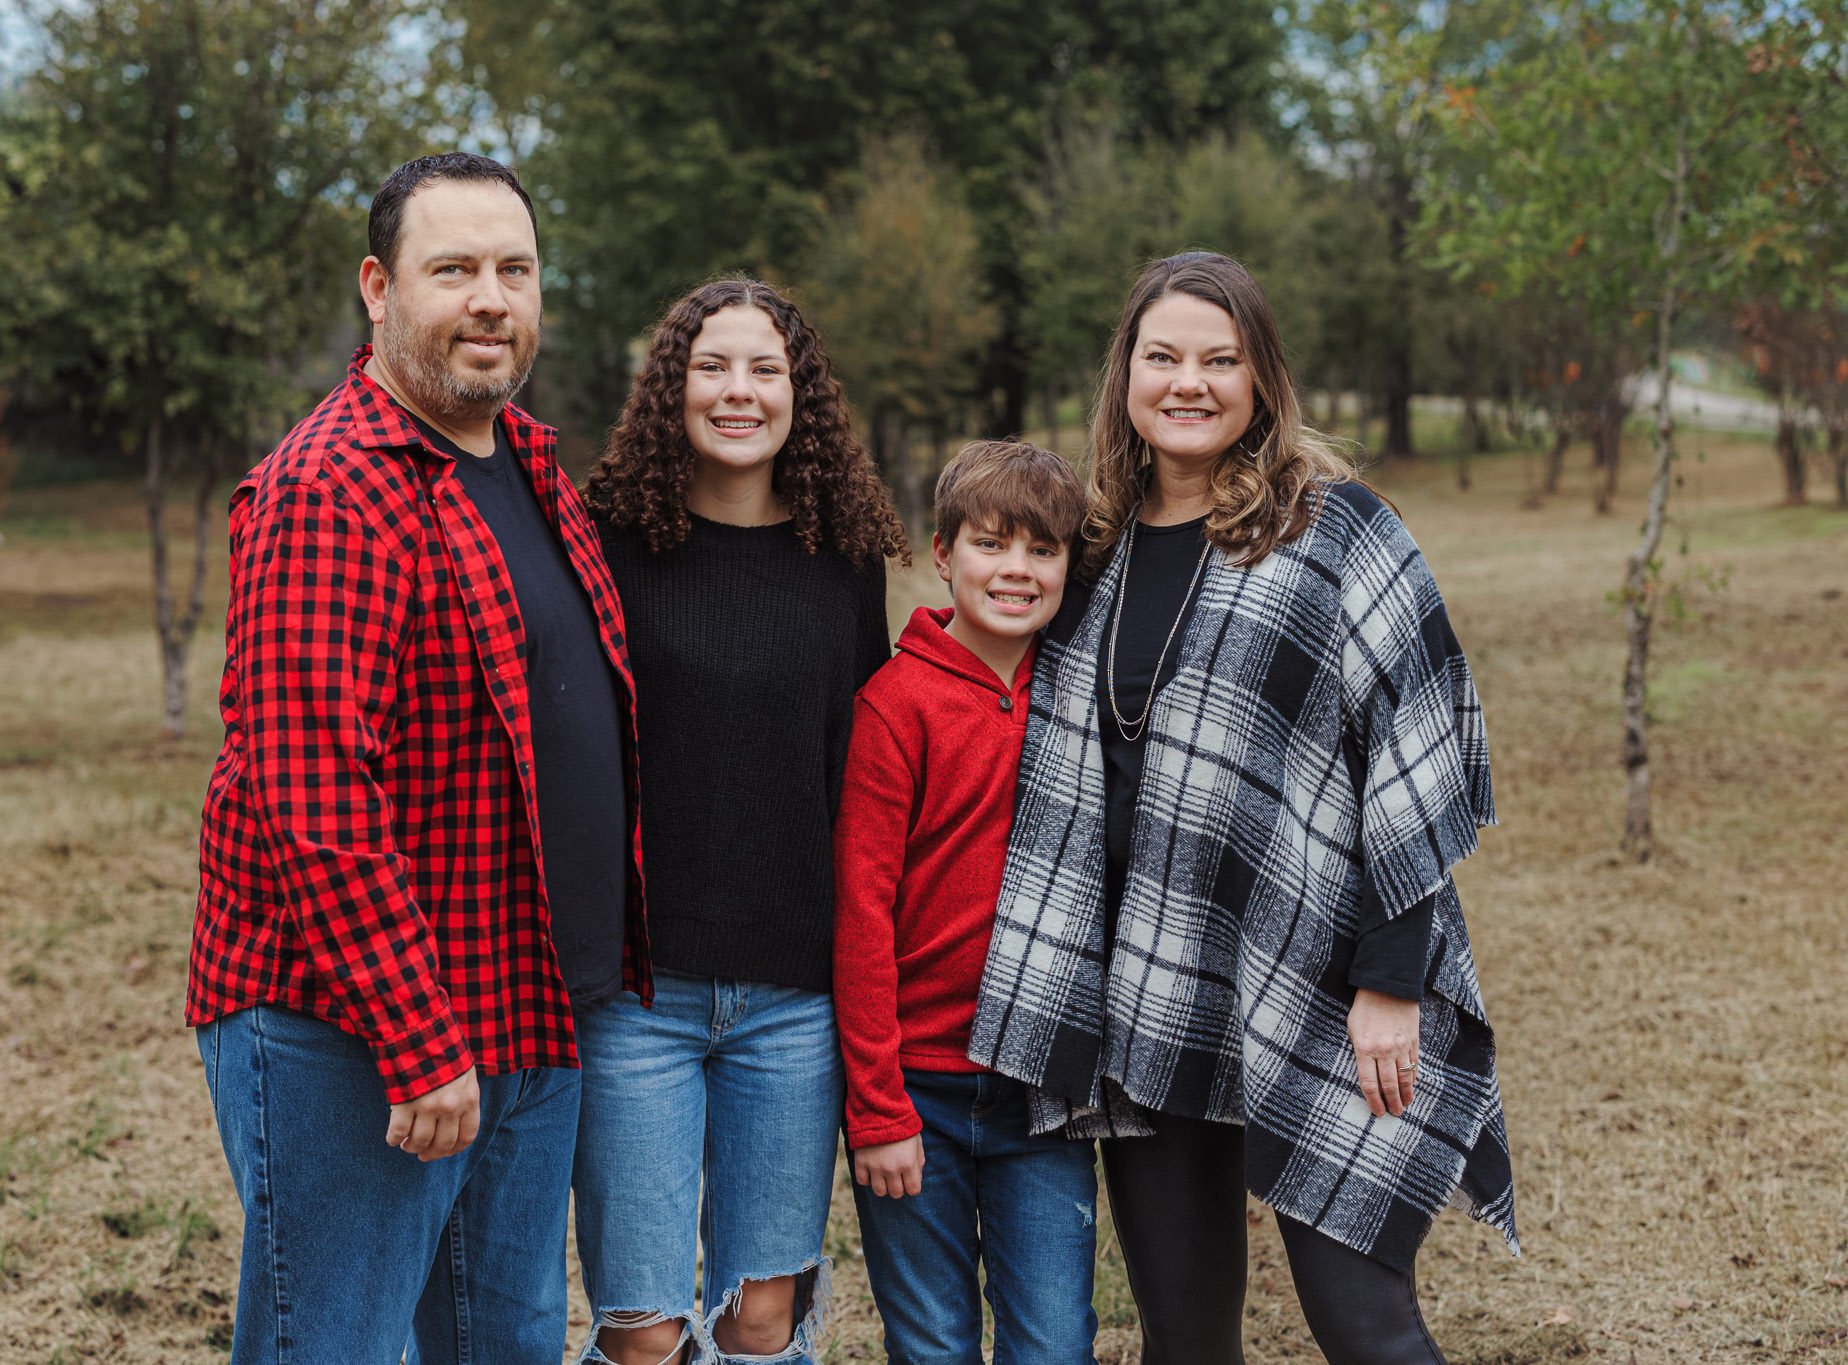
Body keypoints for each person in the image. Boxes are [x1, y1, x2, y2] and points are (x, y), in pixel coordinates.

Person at [969, 252, 1518, 1365]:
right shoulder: (1095, 550)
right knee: (1181, 1335)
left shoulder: (1338, 534)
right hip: (1146, 987)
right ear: (1124, 374)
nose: (1189, 382)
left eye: (1219, 360)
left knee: (1362, 1323)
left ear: (1261, 380)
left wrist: (1389, 981)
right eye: (1161, 356)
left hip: (1321, 983)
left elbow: (1409, 756)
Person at [185, 152, 649, 1365]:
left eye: (514, 269)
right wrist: (416, 1037)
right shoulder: (331, 492)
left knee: (502, 1347)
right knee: (328, 1345)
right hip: (356, 1034)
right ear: (379, 290)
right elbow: (312, 795)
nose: (490, 298)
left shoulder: (527, 464)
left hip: (524, 1009)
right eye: (454, 270)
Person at [576, 276, 909, 1365]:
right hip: (640, 994)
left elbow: (857, 776)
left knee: (761, 1319)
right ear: (669, 388)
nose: (737, 391)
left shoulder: (843, 559)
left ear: (798, 395)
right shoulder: (606, 544)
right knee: (644, 1328)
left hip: (792, 1001)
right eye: (710, 366)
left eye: (764, 369)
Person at [834, 440, 1097, 1365]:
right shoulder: (895, 705)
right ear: (943, 554)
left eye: (1043, 550)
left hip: (1042, 1095)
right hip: (918, 1093)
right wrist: (876, 1108)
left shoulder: (1079, 699)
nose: (1017, 571)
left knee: (1054, 1343)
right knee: (933, 1344)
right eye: (992, 544)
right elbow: (861, 914)